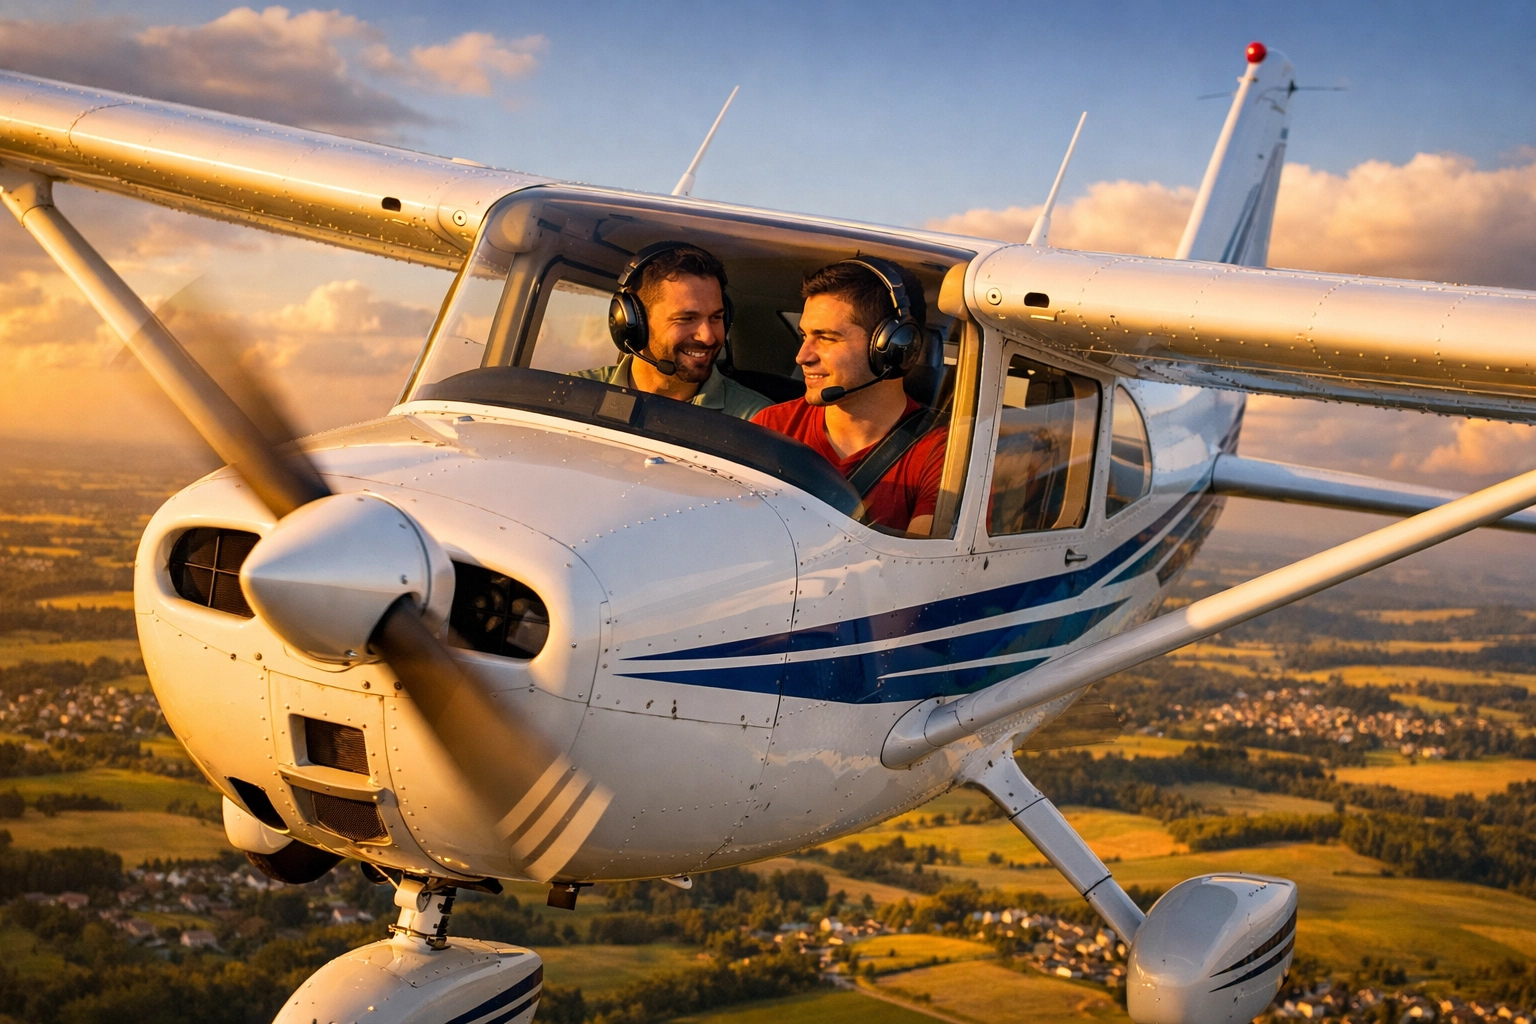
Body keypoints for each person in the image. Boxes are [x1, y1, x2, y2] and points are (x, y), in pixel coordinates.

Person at [752, 258, 946, 537]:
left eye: (827, 338)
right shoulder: (774, 426)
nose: (802, 356)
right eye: (805, 335)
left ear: (891, 347)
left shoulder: (942, 453)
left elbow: (921, 570)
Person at [573, 242, 770, 419]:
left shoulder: (757, 419)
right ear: (633, 322)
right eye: (686, 318)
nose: (708, 337)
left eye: (716, 317)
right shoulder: (574, 394)